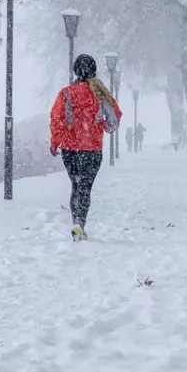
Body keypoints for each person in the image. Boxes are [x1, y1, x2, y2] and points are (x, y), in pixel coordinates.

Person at [49, 54, 122, 241]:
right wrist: (103, 126)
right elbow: (114, 119)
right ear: (94, 70)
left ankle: (76, 221)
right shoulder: (100, 93)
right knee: (85, 188)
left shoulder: (66, 93)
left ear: (75, 71)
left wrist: (56, 141)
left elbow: (56, 118)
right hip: (92, 149)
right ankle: (79, 223)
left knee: (76, 184)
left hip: (70, 149)